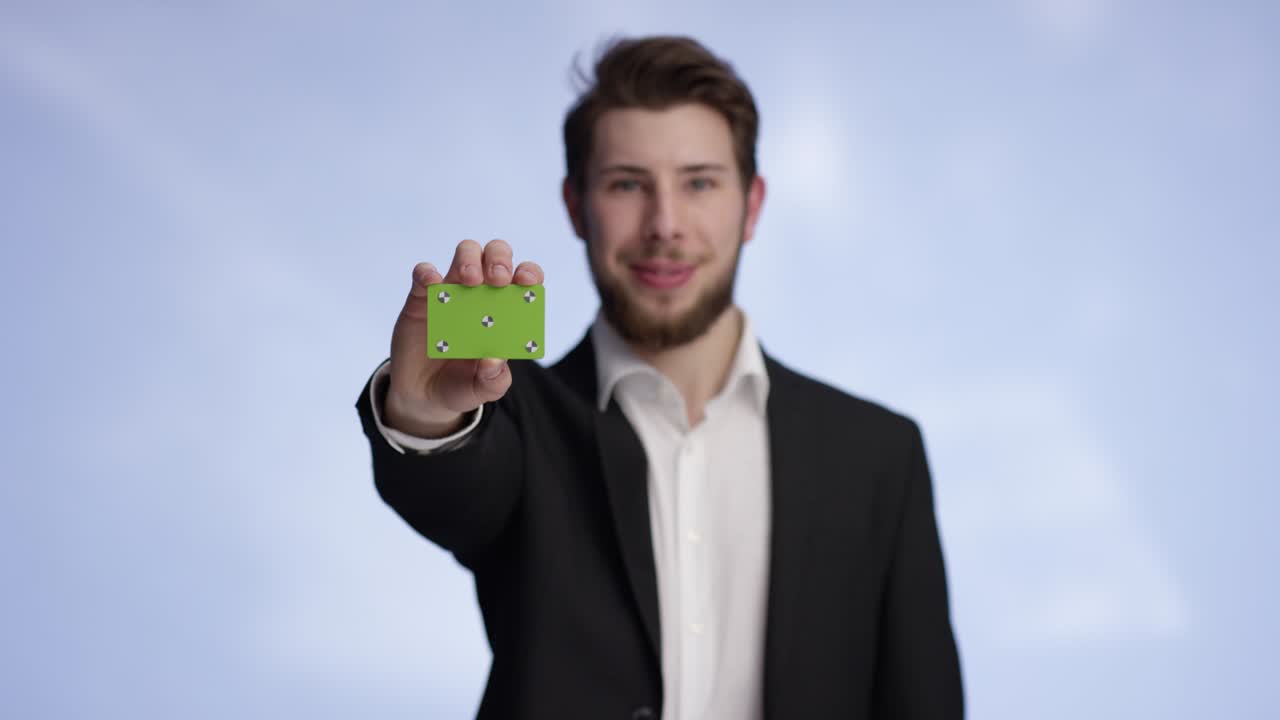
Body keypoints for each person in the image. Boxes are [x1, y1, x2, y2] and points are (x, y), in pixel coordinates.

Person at [355, 35, 963, 720]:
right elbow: (453, 491)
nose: (664, 225)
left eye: (699, 181)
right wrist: (423, 413)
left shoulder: (878, 454)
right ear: (576, 207)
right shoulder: (516, 420)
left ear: (752, 204)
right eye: (626, 184)